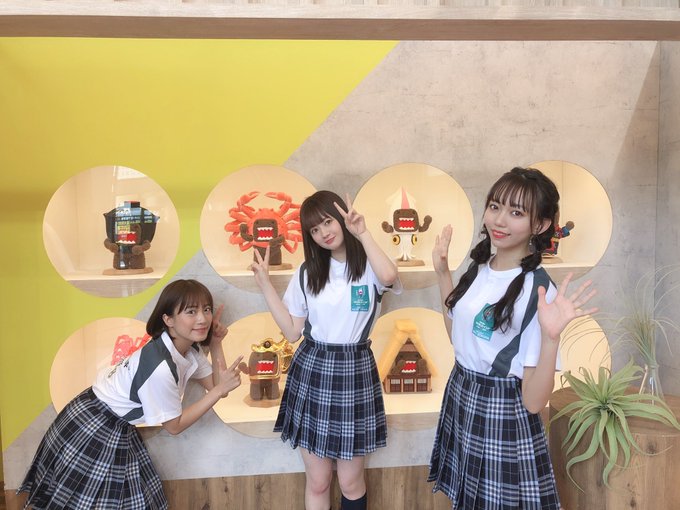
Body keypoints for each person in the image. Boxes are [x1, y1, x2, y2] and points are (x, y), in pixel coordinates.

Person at [428, 167, 597, 510]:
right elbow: (457, 339)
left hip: (500, 411)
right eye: (495, 207)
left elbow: (533, 403)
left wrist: (551, 338)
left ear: (541, 225)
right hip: (463, 392)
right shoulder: (480, 267)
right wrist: (443, 273)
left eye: (516, 213)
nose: (499, 220)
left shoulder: (539, 290)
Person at [18, 279, 244, 510]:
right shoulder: (160, 367)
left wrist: (215, 343)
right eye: (191, 311)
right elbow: (174, 426)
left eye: (206, 309)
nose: (203, 318)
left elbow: (217, 385)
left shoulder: (185, 349)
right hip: (94, 425)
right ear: (168, 320)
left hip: (107, 421)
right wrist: (218, 390)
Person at [250, 190, 401, 510]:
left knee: (350, 481)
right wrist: (265, 285)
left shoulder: (369, 266)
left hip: (355, 369)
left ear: (343, 217)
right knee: (318, 481)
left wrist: (362, 232)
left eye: (328, 222)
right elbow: (292, 332)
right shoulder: (308, 272)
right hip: (313, 369)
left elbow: (389, 276)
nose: (324, 233)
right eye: (315, 230)